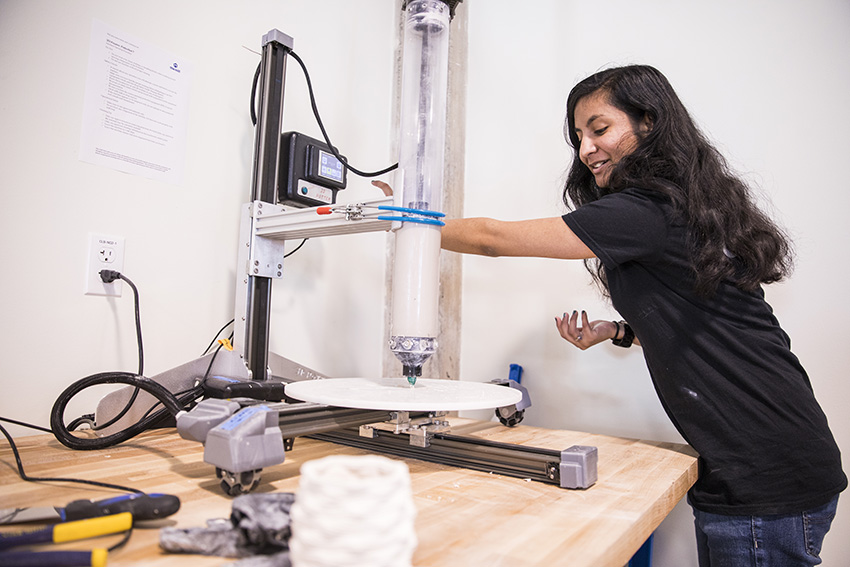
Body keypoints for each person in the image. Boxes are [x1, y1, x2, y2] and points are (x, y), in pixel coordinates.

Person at [373, 64, 845, 566]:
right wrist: (618, 332)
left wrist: (408, 219)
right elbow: (703, 324)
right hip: (764, 461)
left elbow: (493, 239)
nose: (586, 150)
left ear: (649, 123)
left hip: (766, 472)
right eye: (579, 136)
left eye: (600, 129)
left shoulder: (647, 212)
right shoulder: (683, 208)